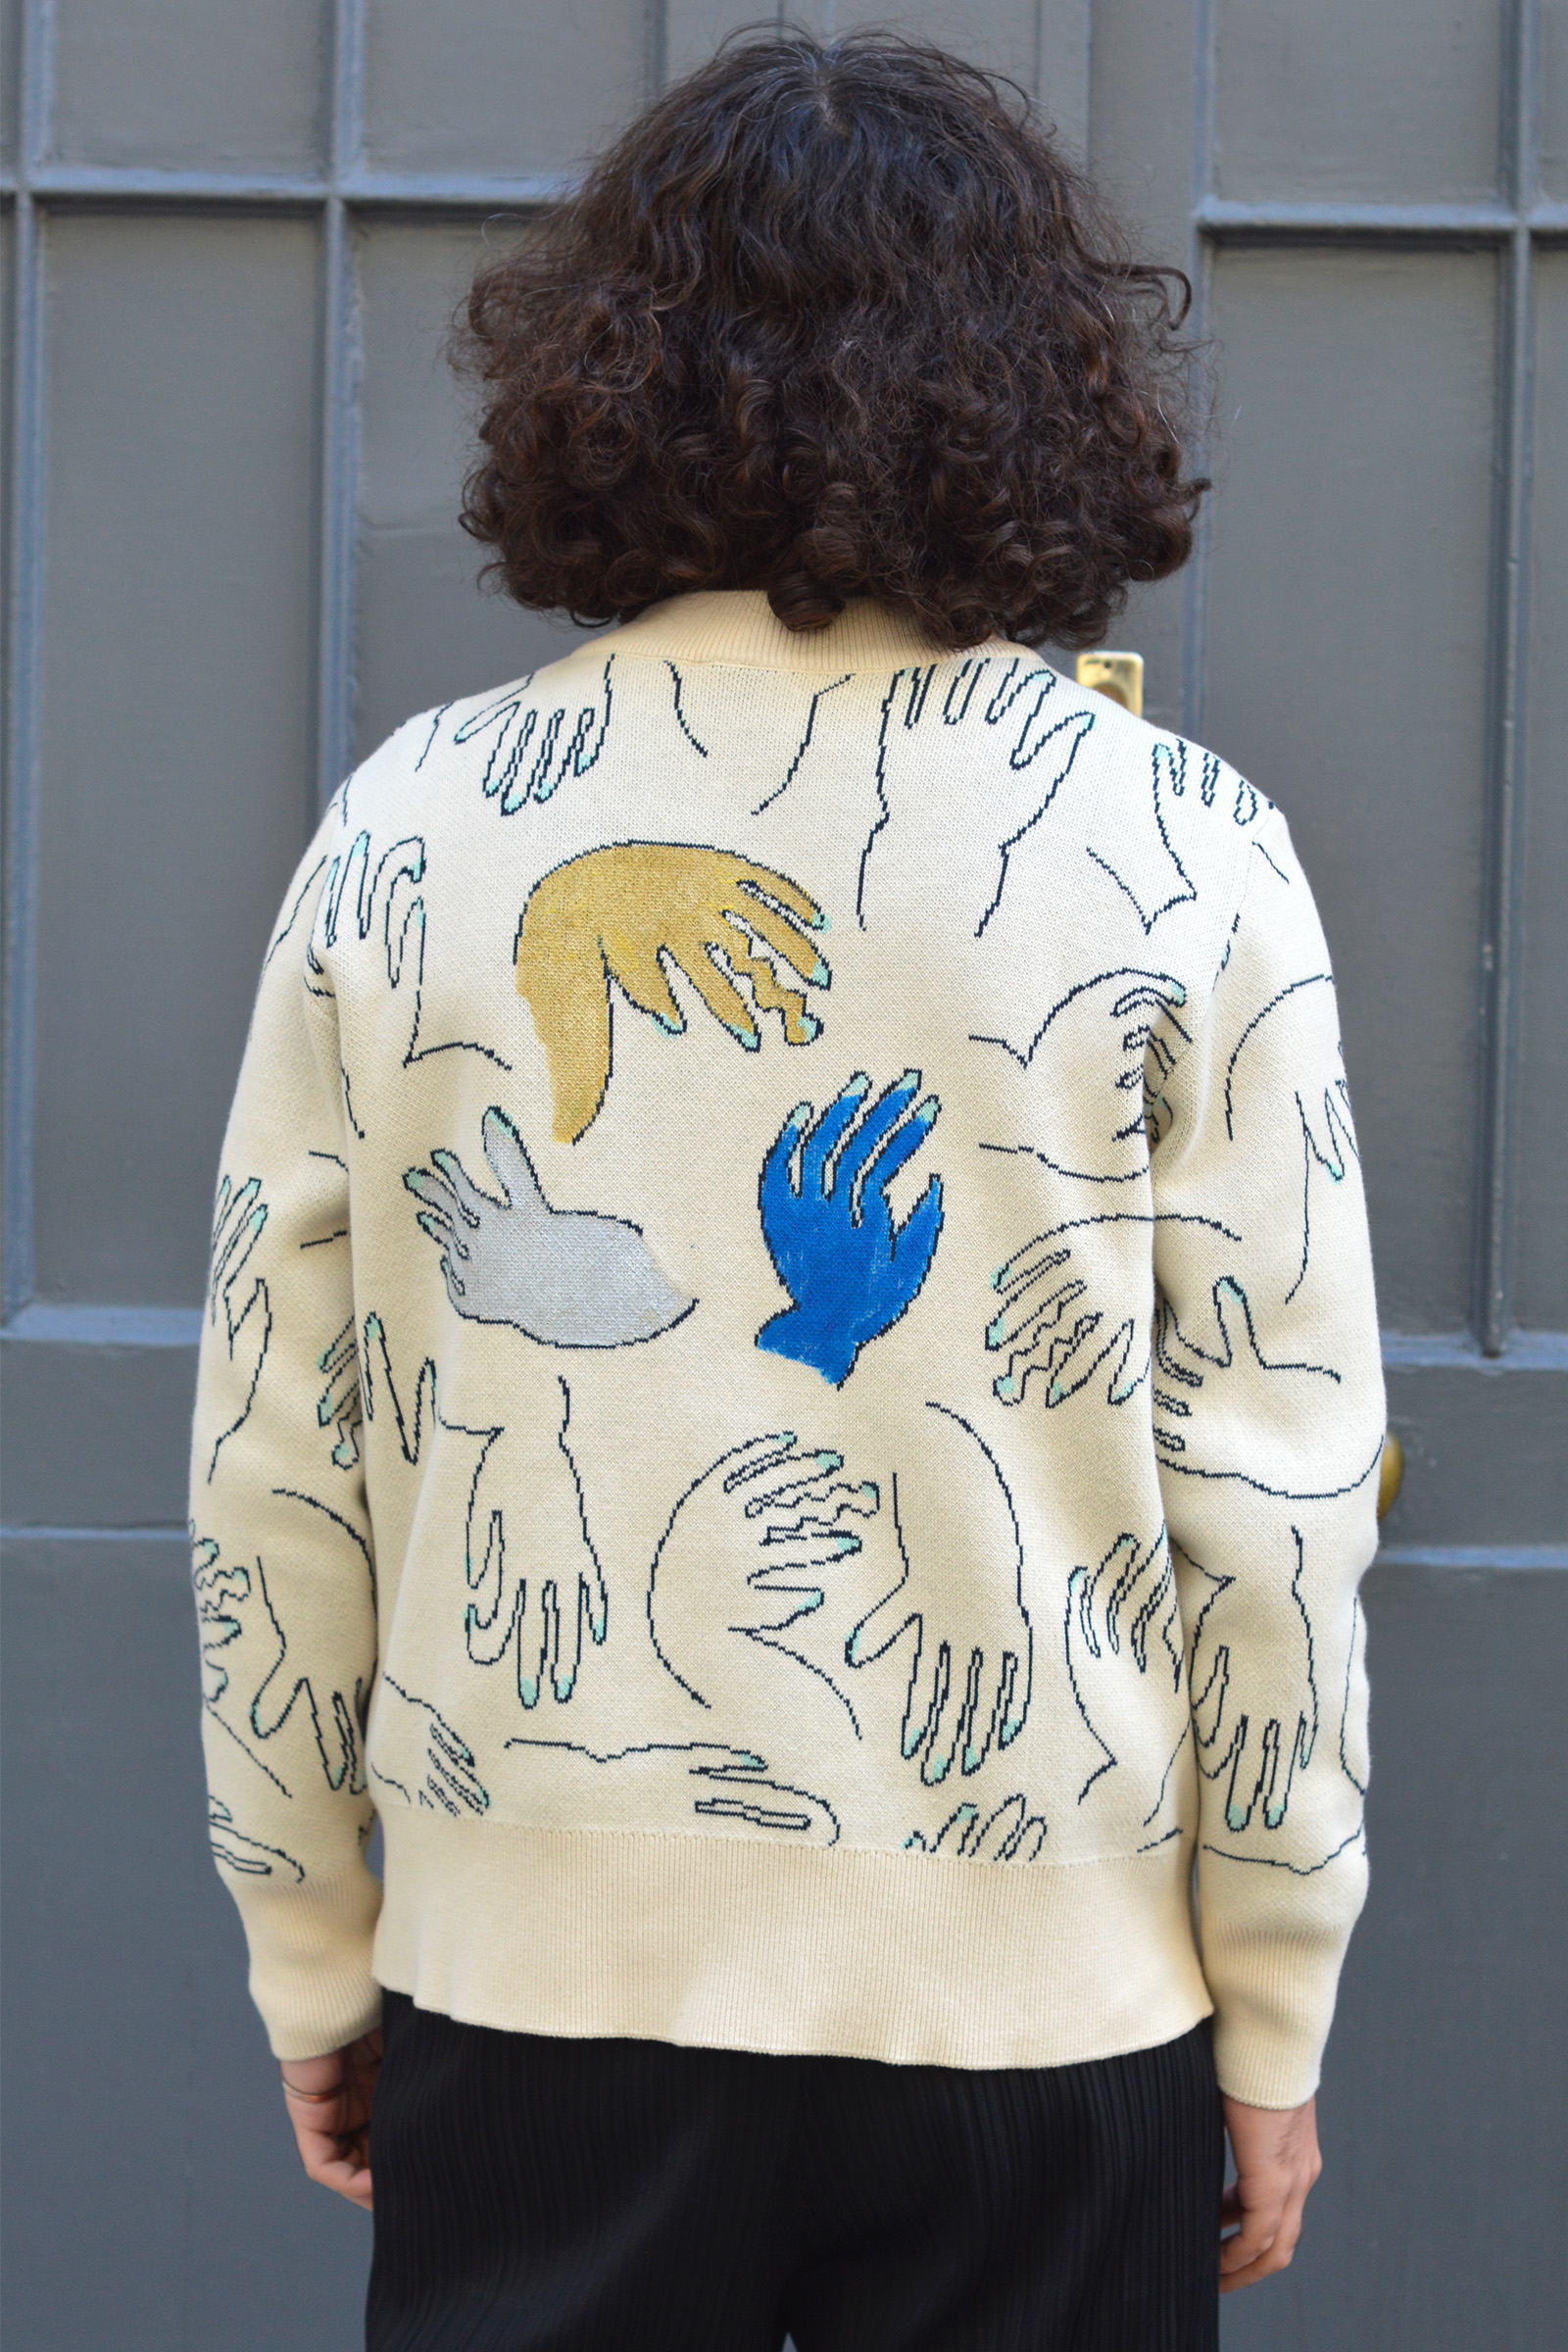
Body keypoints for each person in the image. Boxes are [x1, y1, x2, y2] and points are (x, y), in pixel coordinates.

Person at [189, 31, 1381, 2351]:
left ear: (603, 373)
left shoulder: (413, 825)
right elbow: (1274, 1494)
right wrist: (1269, 2009)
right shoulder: (1183, 848)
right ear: (1034, 384)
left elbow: (277, 1460)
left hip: (530, 1992)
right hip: (1044, 2010)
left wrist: (310, 1946)